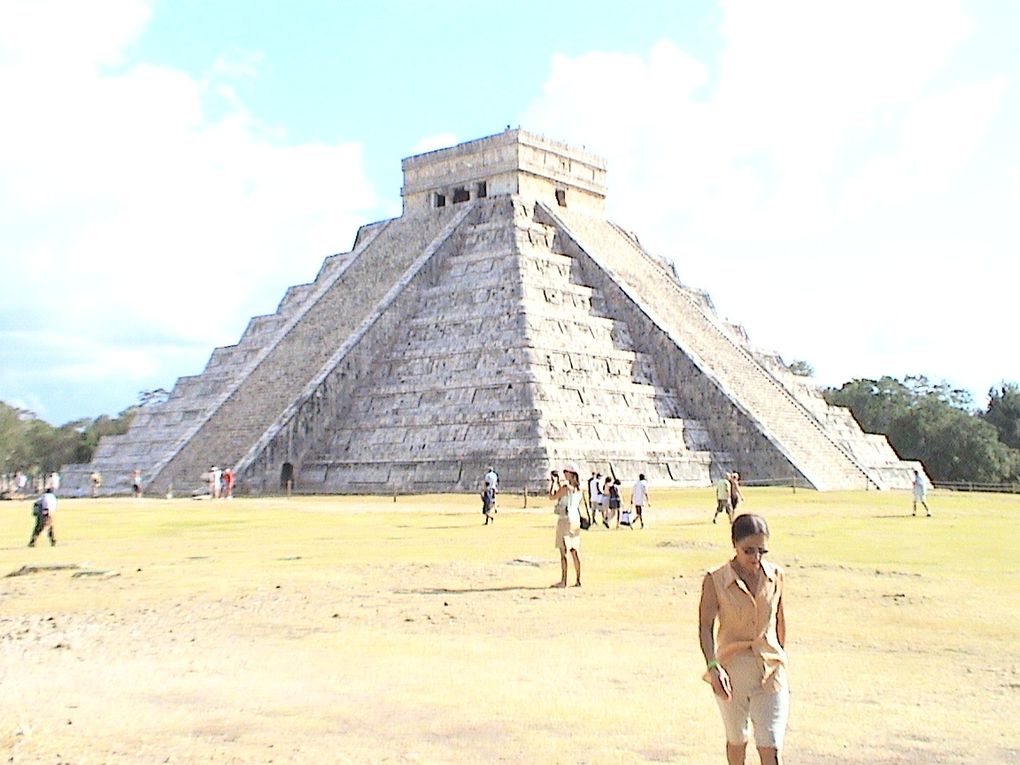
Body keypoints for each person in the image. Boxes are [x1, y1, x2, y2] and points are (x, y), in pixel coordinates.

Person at [699, 514, 788, 765]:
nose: (756, 558)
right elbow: (705, 627)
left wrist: (780, 657)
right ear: (734, 545)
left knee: (770, 745)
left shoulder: (776, 576)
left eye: (762, 551)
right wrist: (713, 667)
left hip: (770, 671)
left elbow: (780, 621)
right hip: (731, 673)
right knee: (737, 739)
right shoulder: (715, 580)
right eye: (748, 550)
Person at [549, 464, 583, 588]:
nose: (564, 474)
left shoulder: (566, 487)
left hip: (565, 519)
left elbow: (552, 496)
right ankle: (578, 579)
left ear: (572, 474)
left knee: (563, 551)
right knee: (574, 550)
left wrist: (554, 482)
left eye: (566, 472)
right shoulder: (579, 489)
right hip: (575, 518)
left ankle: (564, 580)